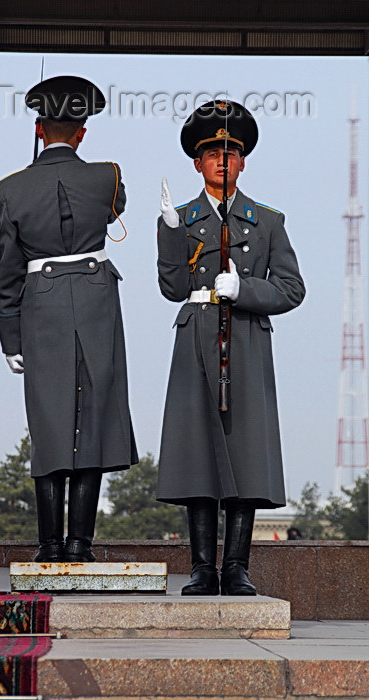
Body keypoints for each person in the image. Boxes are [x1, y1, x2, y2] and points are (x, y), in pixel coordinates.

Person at [156, 99, 305, 595]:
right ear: (197, 163)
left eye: (231, 152)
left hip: (245, 337)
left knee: (246, 451)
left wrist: (248, 291)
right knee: (197, 449)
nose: (222, 161)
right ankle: (202, 567)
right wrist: (168, 235)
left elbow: (291, 288)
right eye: (212, 153)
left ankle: (236, 566)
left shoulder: (267, 221)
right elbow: (172, 288)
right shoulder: (181, 219)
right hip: (197, 334)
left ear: (243, 161)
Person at [0, 75, 138, 563]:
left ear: (38, 128)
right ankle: (81, 544)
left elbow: (8, 269)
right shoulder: (107, 175)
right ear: (81, 132)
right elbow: (116, 208)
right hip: (96, 298)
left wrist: (10, 338)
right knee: (93, 419)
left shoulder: (11, 188)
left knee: (50, 422)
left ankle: (49, 544)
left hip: (42, 302)